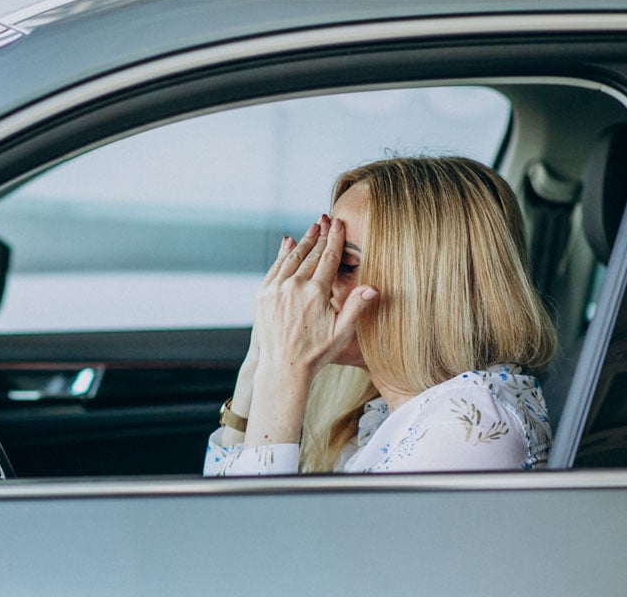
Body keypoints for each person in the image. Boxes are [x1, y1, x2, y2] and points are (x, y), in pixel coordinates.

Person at [205, 156, 556, 476]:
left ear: (424, 287)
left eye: (344, 264)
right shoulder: (385, 412)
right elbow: (221, 521)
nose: (313, 284)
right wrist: (262, 355)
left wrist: (286, 368)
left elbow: (252, 537)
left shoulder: (467, 429)